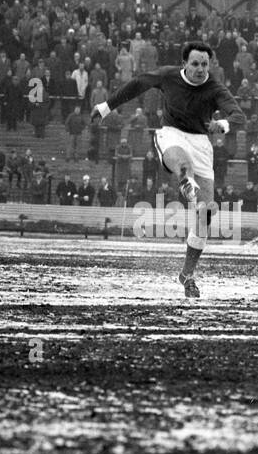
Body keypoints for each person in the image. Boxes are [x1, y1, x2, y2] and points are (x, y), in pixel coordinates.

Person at [93, 41, 244, 298]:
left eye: (204, 64)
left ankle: (187, 274)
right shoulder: (168, 75)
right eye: (195, 63)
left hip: (201, 144)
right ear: (184, 63)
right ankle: (186, 181)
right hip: (171, 135)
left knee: (206, 214)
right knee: (183, 166)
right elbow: (138, 83)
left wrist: (223, 124)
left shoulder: (215, 88)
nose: (199, 69)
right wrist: (106, 106)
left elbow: (238, 116)